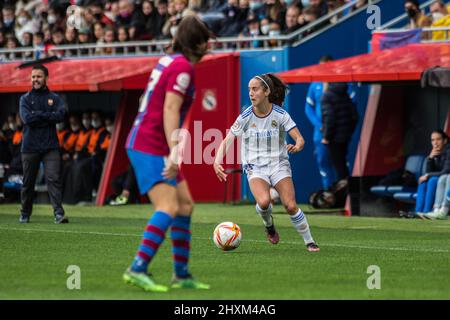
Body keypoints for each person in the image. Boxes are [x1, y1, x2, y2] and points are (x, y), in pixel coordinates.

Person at [123, 15, 212, 292]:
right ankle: (137, 267)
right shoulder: (183, 67)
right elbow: (170, 109)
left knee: (185, 205)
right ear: (196, 42)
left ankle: (181, 275)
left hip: (150, 140)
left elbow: (151, 101)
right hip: (150, 143)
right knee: (169, 207)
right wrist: (175, 151)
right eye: (206, 40)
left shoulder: (168, 61)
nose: (209, 45)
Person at [213, 73, 320, 252]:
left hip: (278, 164)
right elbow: (228, 139)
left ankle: (309, 241)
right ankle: (269, 225)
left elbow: (299, 139)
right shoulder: (245, 116)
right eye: (249, 90)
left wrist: (298, 145)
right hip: (255, 166)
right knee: (264, 202)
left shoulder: (280, 114)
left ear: (266, 91)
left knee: (290, 205)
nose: (251, 93)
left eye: (255, 89)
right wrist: (216, 161)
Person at [18, 64, 68, 224]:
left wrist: (38, 115)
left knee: (53, 179)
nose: (35, 80)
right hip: (30, 146)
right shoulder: (24, 99)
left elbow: (61, 115)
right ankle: (25, 213)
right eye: (33, 77)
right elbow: (27, 119)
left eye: (38, 77)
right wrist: (48, 116)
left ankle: (58, 214)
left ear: (46, 78)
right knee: (28, 182)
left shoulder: (55, 98)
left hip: (50, 146)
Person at [321, 82, 358, 184]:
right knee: (343, 166)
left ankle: (343, 194)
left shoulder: (327, 96)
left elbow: (329, 118)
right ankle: (346, 193)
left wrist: (326, 137)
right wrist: (349, 132)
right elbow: (354, 116)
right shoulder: (345, 94)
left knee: (338, 167)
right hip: (345, 137)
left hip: (334, 138)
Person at [412, 130, 450, 218]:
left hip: (445, 177)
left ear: (445, 140)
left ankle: (427, 211)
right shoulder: (436, 151)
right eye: (433, 140)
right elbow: (428, 172)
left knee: (432, 180)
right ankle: (418, 212)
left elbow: (446, 171)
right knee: (423, 182)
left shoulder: (448, 150)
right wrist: (430, 158)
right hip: (441, 177)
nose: (435, 143)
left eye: (438, 139)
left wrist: (428, 175)